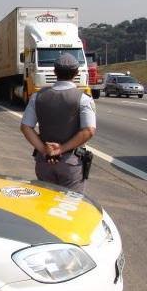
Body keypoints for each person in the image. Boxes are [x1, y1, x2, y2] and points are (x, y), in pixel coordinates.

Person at [20, 53, 97, 193]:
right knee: (70, 203)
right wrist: (61, 149)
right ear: (76, 73)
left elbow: (26, 127)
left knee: (45, 201)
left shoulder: (37, 97)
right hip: (71, 162)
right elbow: (88, 131)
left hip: (44, 161)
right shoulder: (83, 99)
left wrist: (45, 150)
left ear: (55, 72)